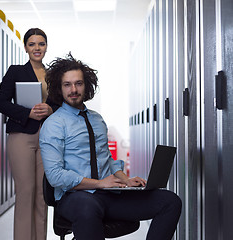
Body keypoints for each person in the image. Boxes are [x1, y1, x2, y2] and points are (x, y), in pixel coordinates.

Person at [39, 53, 182, 240]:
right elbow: (55, 176)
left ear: (86, 85)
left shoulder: (97, 119)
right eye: (67, 84)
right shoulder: (54, 124)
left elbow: (107, 159)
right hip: (73, 197)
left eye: (78, 83)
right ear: (60, 88)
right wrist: (99, 183)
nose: (73, 89)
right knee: (87, 207)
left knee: (170, 201)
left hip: (107, 195)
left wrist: (126, 179)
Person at [0, 28, 58, 240]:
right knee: (25, 192)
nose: (37, 48)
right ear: (25, 47)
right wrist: (27, 112)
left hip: (47, 138)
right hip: (22, 136)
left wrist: (51, 110)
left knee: (42, 194)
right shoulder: (15, 71)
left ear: (46, 46)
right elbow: (0, 103)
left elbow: (61, 104)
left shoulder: (54, 75)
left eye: (41, 44)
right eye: (32, 44)